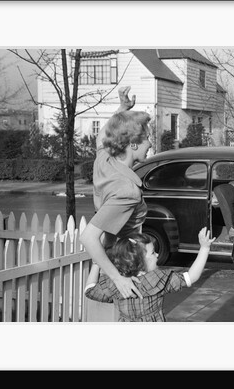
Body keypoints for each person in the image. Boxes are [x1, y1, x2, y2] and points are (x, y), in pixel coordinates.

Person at [79, 87, 152, 320]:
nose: (150, 143)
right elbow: (88, 237)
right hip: (123, 266)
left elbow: (104, 137)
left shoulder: (105, 159)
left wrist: (123, 110)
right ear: (132, 145)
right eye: (147, 138)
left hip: (112, 263)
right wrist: (118, 278)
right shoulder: (127, 191)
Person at [84, 227, 215, 322]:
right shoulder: (158, 280)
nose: (157, 254)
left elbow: (90, 290)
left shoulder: (116, 283)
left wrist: (97, 263)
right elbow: (191, 277)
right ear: (139, 262)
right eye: (152, 253)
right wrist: (204, 248)